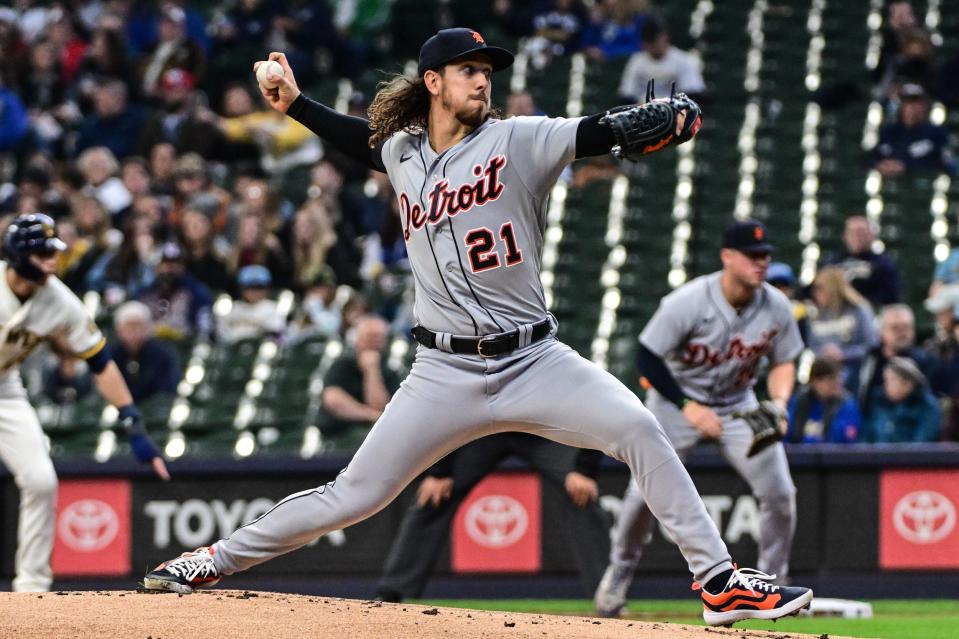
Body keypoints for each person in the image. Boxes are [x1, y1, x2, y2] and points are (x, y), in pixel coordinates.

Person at [143, 29, 812, 625]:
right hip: (442, 372)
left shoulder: (519, 138)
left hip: (534, 360)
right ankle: (212, 559)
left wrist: (637, 124)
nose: (482, 78)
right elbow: (361, 142)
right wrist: (293, 105)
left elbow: (595, 131)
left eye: (486, 70)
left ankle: (718, 581)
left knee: (639, 428)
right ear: (433, 82)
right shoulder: (403, 153)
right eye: (468, 69)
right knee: (353, 495)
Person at [593, 220, 803, 617]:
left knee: (780, 493)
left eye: (765, 256)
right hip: (675, 405)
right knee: (641, 498)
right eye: (752, 256)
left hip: (739, 405)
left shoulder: (776, 305)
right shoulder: (688, 301)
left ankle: (773, 585)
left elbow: (784, 360)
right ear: (727, 257)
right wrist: (688, 405)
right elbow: (647, 358)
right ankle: (619, 572)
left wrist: (778, 400)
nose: (762, 262)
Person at [0, 214, 168, 592]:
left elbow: (100, 363)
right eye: (43, 253)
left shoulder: (61, 302)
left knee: (41, 481)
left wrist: (133, 422)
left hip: (4, 390)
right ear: (19, 256)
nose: (52, 260)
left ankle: (31, 589)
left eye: (53, 252)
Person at [376, 438, 609, 602]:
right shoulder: (472, 366)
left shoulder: (560, 368)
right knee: (433, 496)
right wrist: (439, 470)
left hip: (541, 429)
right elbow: (444, 407)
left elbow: (591, 409)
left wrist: (584, 469)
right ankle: (391, 592)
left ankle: (608, 594)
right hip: (485, 428)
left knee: (583, 492)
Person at [316, 315, 401, 438]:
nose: (375, 341)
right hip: (336, 435)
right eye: (370, 336)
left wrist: (372, 371)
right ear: (358, 338)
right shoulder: (342, 363)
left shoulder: (390, 371)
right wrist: (370, 415)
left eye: (379, 337)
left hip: (373, 436)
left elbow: (382, 407)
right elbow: (332, 399)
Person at [805, 266, 877, 389]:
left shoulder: (859, 310)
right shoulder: (815, 314)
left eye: (820, 290)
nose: (816, 295)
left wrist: (844, 354)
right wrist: (823, 352)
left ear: (833, 289)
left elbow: (871, 344)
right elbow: (812, 345)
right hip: (823, 373)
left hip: (855, 372)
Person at [870, 83, 957, 178]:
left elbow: (943, 162)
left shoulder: (936, 133)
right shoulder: (888, 132)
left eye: (916, 103)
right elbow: (871, 157)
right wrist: (881, 165)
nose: (912, 108)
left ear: (925, 106)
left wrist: (906, 167)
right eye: (907, 103)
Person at [856, 304, 931, 412]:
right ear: (881, 331)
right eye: (895, 328)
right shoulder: (870, 360)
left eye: (906, 327)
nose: (901, 332)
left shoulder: (924, 361)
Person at [618, 17, 705, 104]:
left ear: (666, 37)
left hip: (675, 113)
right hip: (643, 113)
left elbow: (694, 95)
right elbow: (626, 95)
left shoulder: (683, 60)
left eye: (654, 39)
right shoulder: (636, 61)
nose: (652, 45)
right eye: (648, 40)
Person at [821, 215, 901, 307]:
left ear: (872, 236)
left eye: (862, 233)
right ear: (844, 236)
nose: (857, 237)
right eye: (853, 233)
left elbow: (891, 297)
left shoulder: (884, 265)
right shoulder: (832, 263)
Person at [111, 300, 181, 402]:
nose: (134, 332)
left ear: (148, 328)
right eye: (129, 327)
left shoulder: (163, 355)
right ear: (119, 330)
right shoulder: (110, 354)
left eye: (138, 326)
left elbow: (168, 389)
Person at [862, 357, 941, 443]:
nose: (885, 385)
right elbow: (866, 435)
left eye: (891, 380)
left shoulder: (927, 406)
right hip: (876, 455)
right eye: (885, 380)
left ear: (908, 384)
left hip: (908, 455)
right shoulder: (879, 402)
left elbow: (922, 443)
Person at [787, 358, 861, 444]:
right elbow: (788, 433)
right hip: (798, 455)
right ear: (814, 381)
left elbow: (845, 439)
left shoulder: (847, 405)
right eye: (830, 379)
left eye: (838, 378)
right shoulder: (800, 402)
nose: (836, 384)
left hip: (834, 456)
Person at [216, 265, 287, 343]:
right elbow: (221, 335)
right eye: (249, 287)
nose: (254, 292)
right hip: (233, 350)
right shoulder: (230, 308)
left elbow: (277, 337)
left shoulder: (273, 308)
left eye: (259, 287)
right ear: (241, 288)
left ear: (267, 288)